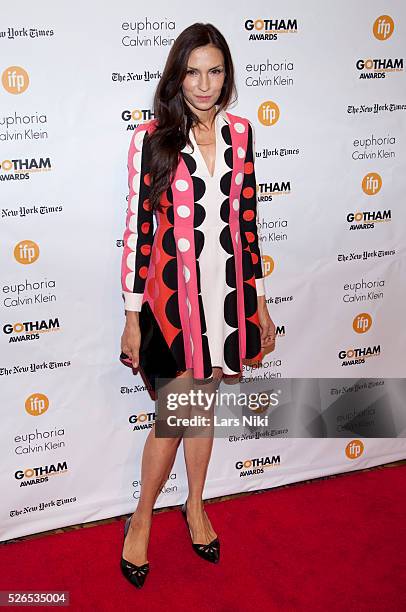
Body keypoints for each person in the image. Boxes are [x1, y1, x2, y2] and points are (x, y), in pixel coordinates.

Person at [119, 22, 276, 588]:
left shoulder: (241, 133)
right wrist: (132, 317)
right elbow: (138, 231)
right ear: (176, 74)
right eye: (193, 71)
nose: (205, 84)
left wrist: (256, 303)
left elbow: (248, 223)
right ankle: (141, 518)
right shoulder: (152, 138)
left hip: (224, 300)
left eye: (215, 71)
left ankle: (195, 505)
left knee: (201, 409)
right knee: (175, 414)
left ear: (227, 74)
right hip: (168, 304)